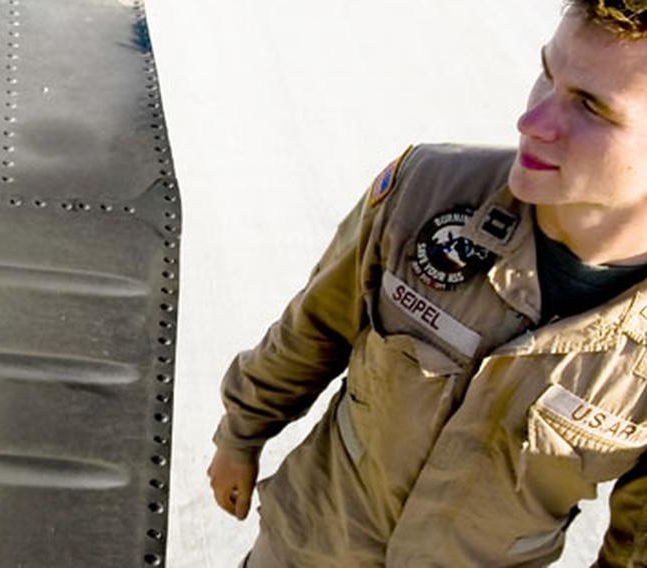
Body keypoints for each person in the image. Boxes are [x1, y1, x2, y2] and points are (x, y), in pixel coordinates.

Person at [207, 1, 647, 566]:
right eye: (547, 73)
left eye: (589, 105)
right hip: (312, 544)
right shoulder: (426, 193)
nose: (532, 122)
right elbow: (311, 329)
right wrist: (241, 434)